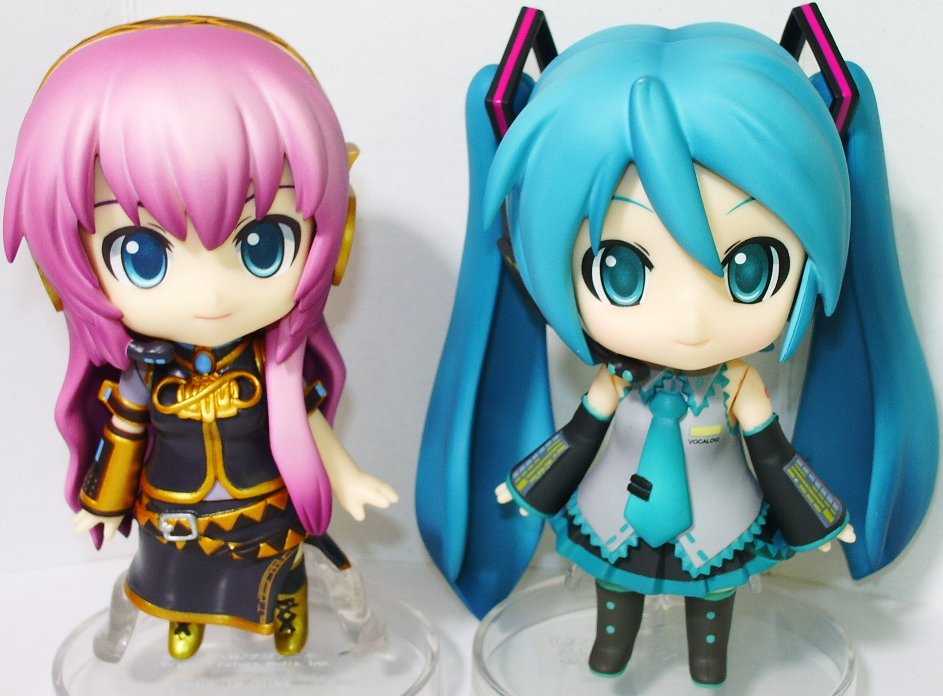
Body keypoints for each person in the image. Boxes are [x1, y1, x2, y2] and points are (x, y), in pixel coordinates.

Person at [4, 17, 397, 659]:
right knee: (173, 572)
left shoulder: (271, 363)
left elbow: (303, 418)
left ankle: (287, 601)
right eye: (142, 256)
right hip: (173, 501)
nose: (211, 296)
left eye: (262, 244)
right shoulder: (145, 368)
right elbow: (125, 430)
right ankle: (182, 616)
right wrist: (104, 501)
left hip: (261, 496)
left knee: (276, 558)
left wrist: (345, 476)